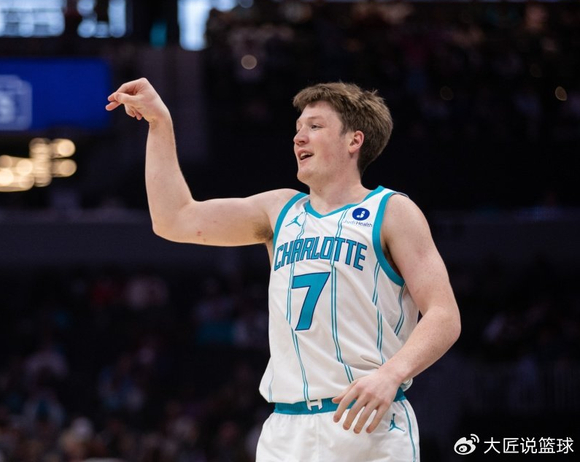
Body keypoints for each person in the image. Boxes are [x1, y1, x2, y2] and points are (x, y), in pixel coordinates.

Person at [106, 78, 460, 461]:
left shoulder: (391, 211)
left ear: (354, 140)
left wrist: (392, 374)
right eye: (298, 128)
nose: (299, 137)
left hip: (366, 422)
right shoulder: (279, 210)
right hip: (286, 430)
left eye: (315, 126)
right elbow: (173, 219)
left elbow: (444, 314)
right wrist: (159, 123)